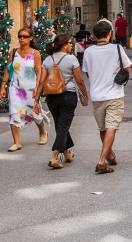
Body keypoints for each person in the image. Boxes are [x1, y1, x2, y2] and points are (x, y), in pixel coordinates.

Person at [81, 21, 132, 175]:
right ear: (110, 33)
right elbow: (127, 68)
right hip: (115, 93)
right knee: (111, 127)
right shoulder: (117, 48)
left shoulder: (88, 51)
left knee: (103, 128)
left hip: (97, 94)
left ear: (95, 35)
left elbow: (87, 72)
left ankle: (109, 154)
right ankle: (101, 161)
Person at [35, 34, 88, 170]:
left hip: (51, 96)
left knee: (60, 124)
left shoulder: (47, 60)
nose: (71, 45)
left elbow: (41, 81)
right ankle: (55, 156)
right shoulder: (71, 59)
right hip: (68, 95)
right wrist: (85, 95)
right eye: (70, 43)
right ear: (64, 45)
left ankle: (67, 152)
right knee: (63, 125)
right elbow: (79, 80)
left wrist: (36, 99)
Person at [0, 27, 48, 151]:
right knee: (14, 112)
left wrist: (38, 88)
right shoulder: (14, 52)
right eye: (20, 36)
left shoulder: (35, 53)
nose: (21, 38)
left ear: (31, 38)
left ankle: (43, 132)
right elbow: (7, 70)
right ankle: (17, 142)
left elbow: (39, 72)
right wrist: (3, 86)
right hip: (15, 88)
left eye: (25, 36)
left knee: (35, 113)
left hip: (31, 88)